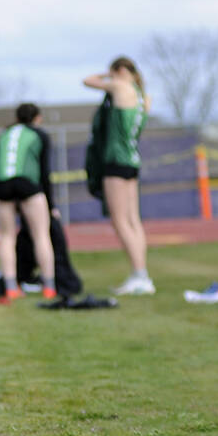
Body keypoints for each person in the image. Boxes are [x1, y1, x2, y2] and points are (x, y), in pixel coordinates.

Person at [83, 56, 153, 294]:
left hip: (115, 161)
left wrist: (108, 76)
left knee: (120, 220)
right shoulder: (144, 96)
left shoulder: (120, 86)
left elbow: (87, 81)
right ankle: (141, 273)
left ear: (121, 70)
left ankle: (139, 274)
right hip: (132, 160)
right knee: (134, 220)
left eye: (112, 72)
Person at [0, 104, 57, 303]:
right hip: (27, 184)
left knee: (6, 236)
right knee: (41, 235)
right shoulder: (39, 135)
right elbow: (44, 173)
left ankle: (11, 287)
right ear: (37, 118)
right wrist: (51, 205)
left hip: (1, 185)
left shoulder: (5, 134)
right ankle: (49, 286)